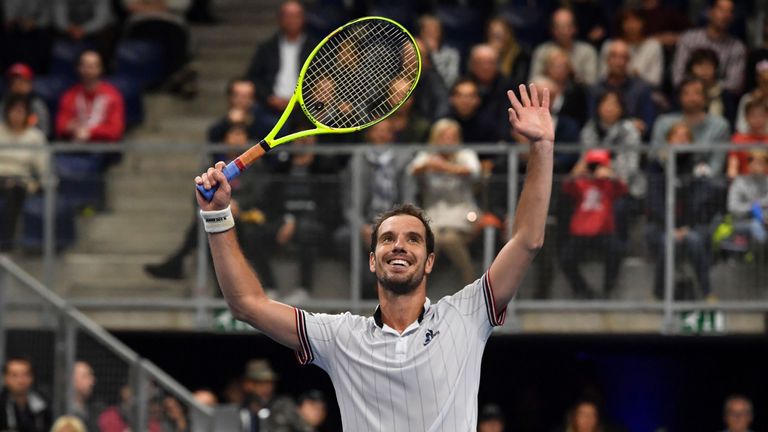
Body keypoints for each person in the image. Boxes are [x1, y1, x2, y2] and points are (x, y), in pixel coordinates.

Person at [194, 83, 554, 430]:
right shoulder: (341, 337)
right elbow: (246, 304)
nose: (399, 245)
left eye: (413, 239)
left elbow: (527, 240)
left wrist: (542, 147)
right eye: (388, 239)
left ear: (429, 261)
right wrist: (217, 216)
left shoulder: (465, 316)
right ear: (372, 259)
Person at [646, 123, 722, 301]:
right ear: (668, 140)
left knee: (695, 241)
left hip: (692, 225)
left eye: (685, 136)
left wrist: (687, 227)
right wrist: (670, 227)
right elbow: (654, 200)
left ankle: (707, 292)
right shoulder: (657, 166)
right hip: (663, 226)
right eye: (676, 135)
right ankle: (658, 294)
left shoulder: (699, 166)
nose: (681, 139)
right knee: (668, 243)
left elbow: (702, 200)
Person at [408, 119, 482, 285]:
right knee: (432, 240)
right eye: (444, 137)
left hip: (463, 213)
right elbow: (411, 170)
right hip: (434, 213)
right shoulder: (427, 156)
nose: (448, 141)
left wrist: (446, 167)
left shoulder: (465, 154)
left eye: (452, 137)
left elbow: (474, 171)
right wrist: (427, 165)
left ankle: (469, 281)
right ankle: (416, 286)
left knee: (446, 239)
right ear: (435, 138)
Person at [559, 149, 627, 299]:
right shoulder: (580, 182)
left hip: (605, 232)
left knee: (616, 252)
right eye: (593, 165)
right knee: (566, 259)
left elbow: (623, 190)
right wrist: (576, 172)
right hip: (580, 234)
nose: (595, 168)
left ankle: (608, 290)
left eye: (599, 165)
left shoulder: (609, 184)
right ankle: (583, 290)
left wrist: (611, 176)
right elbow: (566, 188)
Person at [246, 1, 315, 118]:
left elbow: (321, 79)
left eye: (296, 16)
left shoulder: (314, 48)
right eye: (287, 16)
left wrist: (299, 100)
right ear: (280, 19)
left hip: (305, 107)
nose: (291, 20)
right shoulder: (266, 48)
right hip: (270, 106)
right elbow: (253, 77)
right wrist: (269, 98)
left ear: (303, 18)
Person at [651, 78, 730, 174]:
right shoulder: (663, 122)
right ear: (680, 97)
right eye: (686, 93)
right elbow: (655, 155)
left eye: (697, 93)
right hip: (668, 178)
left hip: (704, 182)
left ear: (705, 97)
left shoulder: (720, 126)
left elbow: (717, 164)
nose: (692, 98)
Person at [0, 94, 49, 251]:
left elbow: (43, 165)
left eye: (20, 111)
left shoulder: (35, 136)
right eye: (13, 110)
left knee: (13, 190)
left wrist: (46, 183)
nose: (16, 114)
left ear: (27, 113)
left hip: (22, 181)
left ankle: (6, 243)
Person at [672, 0, 746, 94]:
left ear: (732, 17)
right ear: (710, 12)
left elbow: (734, 84)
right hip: (687, 95)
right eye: (721, 10)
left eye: (729, 11)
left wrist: (712, 86)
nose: (725, 15)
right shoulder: (688, 39)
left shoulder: (737, 47)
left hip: (718, 96)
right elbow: (677, 77)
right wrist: (695, 88)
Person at [591, 39, 657, 139]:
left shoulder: (641, 88)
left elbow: (647, 125)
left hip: (633, 143)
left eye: (623, 57)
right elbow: (591, 121)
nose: (619, 62)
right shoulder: (596, 89)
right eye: (614, 56)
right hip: (600, 143)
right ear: (607, 59)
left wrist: (640, 127)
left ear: (629, 60)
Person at [529, 8, 599, 86]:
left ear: (575, 28)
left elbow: (591, 84)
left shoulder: (587, 51)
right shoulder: (541, 51)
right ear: (552, 29)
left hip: (577, 94)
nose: (563, 31)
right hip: (547, 92)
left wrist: (572, 73)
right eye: (558, 27)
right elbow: (532, 82)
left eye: (567, 26)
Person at [599, 9, 663, 89]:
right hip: (611, 90)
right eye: (627, 21)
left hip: (644, 91)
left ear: (643, 22)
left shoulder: (653, 46)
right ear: (621, 24)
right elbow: (603, 75)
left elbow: (655, 81)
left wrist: (627, 76)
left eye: (635, 21)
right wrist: (634, 74)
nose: (631, 25)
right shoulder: (609, 45)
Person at [725, 150, 768, 262]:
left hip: (765, 222)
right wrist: (754, 207)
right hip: (742, 222)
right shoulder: (739, 182)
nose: (757, 166)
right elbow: (733, 207)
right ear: (748, 164)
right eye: (754, 162)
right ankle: (761, 259)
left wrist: (763, 215)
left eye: (761, 163)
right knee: (755, 225)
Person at [684, 48, 737, 126]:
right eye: (699, 65)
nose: (704, 70)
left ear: (716, 68)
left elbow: (730, 122)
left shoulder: (725, 94)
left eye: (708, 65)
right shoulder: (684, 92)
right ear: (691, 69)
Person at [0, 357, 52, 432]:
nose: (20, 380)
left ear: (32, 377)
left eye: (25, 374)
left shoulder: (42, 404)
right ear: (5, 378)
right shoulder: (2, 404)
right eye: (14, 375)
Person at [1, 63, 50, 137]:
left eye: (21, 82)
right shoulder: (4, 104)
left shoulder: (37, 105)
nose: (17, 86)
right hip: (7, 143)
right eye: (13, 83)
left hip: (30, 144)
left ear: (30, 85)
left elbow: (44, 131)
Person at [417, 15, 460, 88]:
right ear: (421, 32)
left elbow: (451, 80)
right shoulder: (413, 51)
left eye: (435, 30)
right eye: (427, 30)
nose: (431, 33)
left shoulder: (451, 54)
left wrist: (432, 53)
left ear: (440, 32)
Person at [486, 16, 530, 86]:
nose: (497, 40)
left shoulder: (520, 54)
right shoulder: (483, 54)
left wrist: (497, 57)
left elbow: (519, 83)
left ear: (509, 34)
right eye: (493, 35)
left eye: (500, 35)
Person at [729, 99, 768, 179]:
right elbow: (732, 169)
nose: (758, 119)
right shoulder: (738, 139)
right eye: (753, 115)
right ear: (746, 117)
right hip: (744, 183)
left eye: (761, 115)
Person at [71, 360, 104, 432]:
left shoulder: (95, 411)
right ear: (72, 380)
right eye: (86, 376)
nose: (92, 380)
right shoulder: (57, 411)